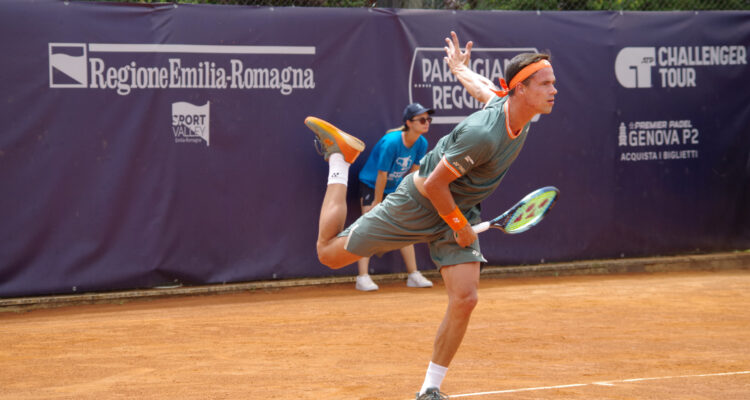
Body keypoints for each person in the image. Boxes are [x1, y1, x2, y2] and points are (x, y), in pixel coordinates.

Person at [304, 31, 557, 399]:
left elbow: (484, 88)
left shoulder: (518, 112)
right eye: (546, 83)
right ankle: (339, 158)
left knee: (466, 298)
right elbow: (434, 186)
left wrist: (458, 69)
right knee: (328, 254)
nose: (554, 90)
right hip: (419, 202)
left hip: (461, 207)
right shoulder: (482, 135)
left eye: (554, 83)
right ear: (520, 89)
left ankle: (429, 390)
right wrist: (459, 227)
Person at [354, 103, 435, 291]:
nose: (426, 123)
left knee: (405, 227)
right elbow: (381, 174)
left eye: (428, 119)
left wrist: (407, 196)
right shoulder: (391, 142)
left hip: (394, 187)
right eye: (422, 119)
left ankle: (413, 275)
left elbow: (414, 173)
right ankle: (362, 277)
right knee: (366, 226)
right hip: (371, 184)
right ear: (408, 122)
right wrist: (377, 202)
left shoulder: (421, 143)